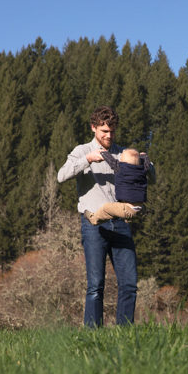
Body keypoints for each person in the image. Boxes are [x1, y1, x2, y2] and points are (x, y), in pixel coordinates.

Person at [57, 106, 156, 327]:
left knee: (129, 283)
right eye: (103, 131)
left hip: (121, 224)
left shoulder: (123, 154)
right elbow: (61, 175)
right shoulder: (82, 150)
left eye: (112, 131)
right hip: (93, 224)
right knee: (96, 284)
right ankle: (93, 335)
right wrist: (88, 160)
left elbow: (153, 179)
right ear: (93, 128)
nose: (108, 135)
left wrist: (146, 164)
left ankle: (125, 334)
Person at [84, 148, 153, 225]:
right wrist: (144, 156)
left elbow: (110, 160)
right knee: (117, 208)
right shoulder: (143, 170)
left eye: (121, 157)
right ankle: (128, 218)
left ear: (123, 161)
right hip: (140, 209)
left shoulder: (121, 168)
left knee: (106, 208)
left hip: (125, 209)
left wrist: (103, 153)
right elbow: (146, 163)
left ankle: (93, 219)